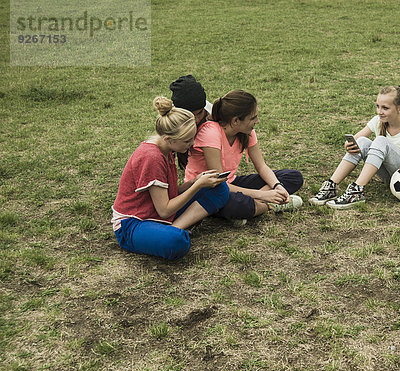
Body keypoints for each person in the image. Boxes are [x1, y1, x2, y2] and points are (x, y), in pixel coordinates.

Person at [111, 97, 229, 260]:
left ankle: (173, 227)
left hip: (158, 214)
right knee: (177, 242)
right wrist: (196, 186)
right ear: (168, 139)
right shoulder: (152, 157)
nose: (192, 144)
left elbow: (170, 193)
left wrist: (194, 181)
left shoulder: (167, 149)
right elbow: (164, 209)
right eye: (187, 141)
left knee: (220, 189)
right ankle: (173, 231)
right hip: (133, 223)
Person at [184, 89, 304, 223]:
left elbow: (262, 166)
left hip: (231, 183)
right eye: (253, 118)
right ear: (235, 121)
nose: (257, 121)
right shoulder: (210, 132)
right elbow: (218, 183)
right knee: (237, 204)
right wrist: (265, 195)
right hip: (208, 189)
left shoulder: (247, 132)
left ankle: (255, 207)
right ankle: (268, 205)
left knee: (294, 177)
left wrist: (277, 186)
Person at [309, 85, 400, 209]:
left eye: (385, 108)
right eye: (378, 106)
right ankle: (331, 186)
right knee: (362, 141)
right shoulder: (378, 121)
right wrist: (349, 145)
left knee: (381, 141)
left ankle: (357, 191)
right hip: (390, 175)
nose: (380, 111)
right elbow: (357, 139)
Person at [169, 74, 213, 170]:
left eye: (199, 113)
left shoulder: (212, 114)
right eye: (191, 115)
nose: (196, 119)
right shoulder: (171, 118)